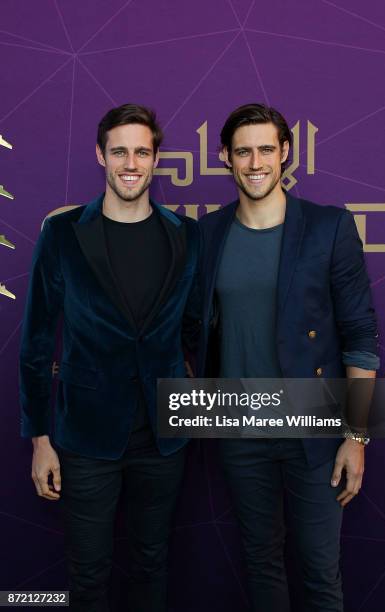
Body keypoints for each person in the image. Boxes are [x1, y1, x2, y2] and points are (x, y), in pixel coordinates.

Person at [197, 103, 379, 611]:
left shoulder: (329, 228)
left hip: (315, 427)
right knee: (260, 561)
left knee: (320, 572)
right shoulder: (207, 234)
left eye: (266, 150)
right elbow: (192, 329)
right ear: (226, 159)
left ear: (285, 154)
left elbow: (361, 333)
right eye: (243, 151)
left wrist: (357, 435)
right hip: (239, 428)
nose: (255, 162)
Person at [19, 103, 199, 612]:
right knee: (88, 572)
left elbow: (194, 330)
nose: (131, 162)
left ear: (156, 159)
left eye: (142, 151)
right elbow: (35, 342)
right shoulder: (62, 233)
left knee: (151, 562)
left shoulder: (186, 235)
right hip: (85, 438)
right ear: (101, 155)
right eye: (119, 150)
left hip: (163, 441)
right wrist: (40, 440)